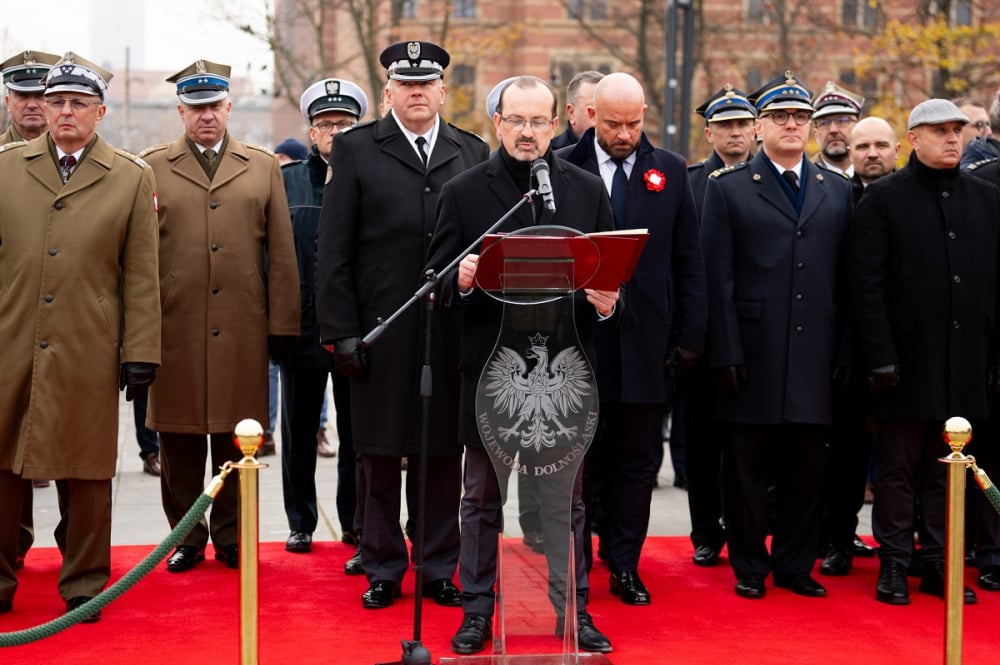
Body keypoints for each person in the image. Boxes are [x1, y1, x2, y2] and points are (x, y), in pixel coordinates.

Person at [427, 75, 615, 655]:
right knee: (481, 499)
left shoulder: (584, 191)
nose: (528, 132)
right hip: (491, 373)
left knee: (567, 503)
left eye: (539, 121)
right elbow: (435, 283)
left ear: (556, 124)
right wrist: (457, 281)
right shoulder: (463, 192)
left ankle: (573, 610)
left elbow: (610, 267)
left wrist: (609, 299)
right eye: (518, 121)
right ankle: (478, 611)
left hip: (566, 374)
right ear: (498, 124)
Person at [316, 40, 488, 610]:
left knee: (443, 452)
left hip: (450, 326)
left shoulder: (471, 150)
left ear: (443, 90)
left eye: (427, 83)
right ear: (388, 91)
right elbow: (333, 249)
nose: (417, 92)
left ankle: (438, 565)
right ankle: (384, 564)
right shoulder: (358, 149)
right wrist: (339, 331)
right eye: (406, 83)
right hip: (379, 329)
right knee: (379, 451)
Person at [0, 51, 161, 621]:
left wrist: (141, 352)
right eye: (56, 101)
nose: (64, 112)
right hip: (10, 340)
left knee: (88, 471)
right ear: (41, 107)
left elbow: (142, 273)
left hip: (89, 344)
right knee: (2, 464)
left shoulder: (130, 177)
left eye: (77, 103)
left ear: (100, 112)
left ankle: (86, 584)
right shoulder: (6, 168)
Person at [142, 59, 300, 573]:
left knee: (239, 435)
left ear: (229, 107)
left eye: (214, 106)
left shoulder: (262, 166)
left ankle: (232, 537)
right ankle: (187, 538)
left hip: (241, 326)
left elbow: (280, 252)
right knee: (179, 438)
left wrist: (282, 327)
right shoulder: (152, 168)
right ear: (180, 112)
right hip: (175, 325)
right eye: (195, 108)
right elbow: (140, 258)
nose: (206, 116)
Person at [701, 72, 854, 600]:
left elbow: (847, 279)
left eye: (802, 118)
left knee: (807, 467)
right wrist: (724, 350)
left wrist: (845, 350)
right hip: (752, 352)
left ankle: (793, 564)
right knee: (745, 467)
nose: (793, 125)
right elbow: (715, 277)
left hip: (815, 352)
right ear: (760, 124)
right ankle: (749, 564)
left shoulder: (837, 189)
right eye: (781, 117)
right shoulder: (730, 188)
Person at [559, 72, 706, 606]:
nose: (625, 135)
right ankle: (575, 565)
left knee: (638, 459)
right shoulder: (561, 169)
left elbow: (689, 259)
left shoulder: (669, 171)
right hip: (579, 345)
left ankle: (624, 563)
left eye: (635, 123)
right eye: (615, 124)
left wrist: (690, 336)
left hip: (647, 344)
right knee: (580, 459)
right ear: (592, 114)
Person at [849, 98, 997, 606]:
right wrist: (879, 357)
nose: (953, 138)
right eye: (941, 131)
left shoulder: (985, 198)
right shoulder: (884, 199)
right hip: (904, 362)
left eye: (958, 130)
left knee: (948, 469)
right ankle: (894, 562)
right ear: (913, 139)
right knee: (898, 467)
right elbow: (864, 286)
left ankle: (938, 562)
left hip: (965, 359)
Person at [278, 77, 368, 554]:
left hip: (355, 328)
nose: (335, 132)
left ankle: (354, 519)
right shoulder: (287, 182)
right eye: (326, 124)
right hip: (302, 328)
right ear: (311, 132)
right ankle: (300, 521)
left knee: (356, 432)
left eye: (345, 124)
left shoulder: (372, 177)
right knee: (297, 431)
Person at [680, 85, 757, 569]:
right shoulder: (690, 184)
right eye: (724, 125)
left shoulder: (765, 180)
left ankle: (750, 525)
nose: (734, 132)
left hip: (752, 332)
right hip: (703, 335)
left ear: (755, 129)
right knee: (702, 442)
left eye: (742, 124)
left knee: (749, 444)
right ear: (709, 132)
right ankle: (707, 530)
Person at [0, 48, 61, 573]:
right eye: (23, 95)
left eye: (43, 95)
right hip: (7, 329)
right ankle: (12, 546)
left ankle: (77, 555)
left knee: (72, 449)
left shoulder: (76, 158)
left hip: (68, 331)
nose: (35, 106)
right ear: (8, 100)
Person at [811, 81, 864, 176]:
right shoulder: (803, 178)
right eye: (824, 123)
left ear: (858, 128)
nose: (833, 130)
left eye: (842, 121)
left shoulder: (876, 174)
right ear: (816, 133)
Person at [550, 70, 603, 150]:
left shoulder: (625, 153)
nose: (604, 117)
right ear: (571, 113)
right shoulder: (548, 154)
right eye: (592, 110)